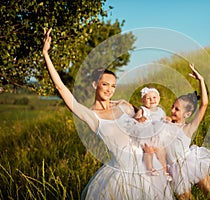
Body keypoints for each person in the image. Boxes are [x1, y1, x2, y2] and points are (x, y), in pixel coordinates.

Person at [42, 28, 174, 200]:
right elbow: (61, 88)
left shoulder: (123, 106)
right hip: (120, 175)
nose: (110, 90)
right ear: (95, 85)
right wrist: (46, 54)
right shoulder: (92, 116)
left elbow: (150, 118)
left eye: (113, 86)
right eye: (105, 84)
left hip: (147, 167)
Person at [167, 64, 210, 200]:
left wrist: (201, 80)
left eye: (177, 109)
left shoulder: (188, 128)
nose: (172, 110)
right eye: (173, 107)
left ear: (187, 114)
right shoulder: (165, 123)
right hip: (173, 170)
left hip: (191, 163)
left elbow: (204, 105)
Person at [132, 87, 172, 181]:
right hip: (146, 134)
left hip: (158, 135)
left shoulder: (160, 110)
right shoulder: (143, 110)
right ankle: (150, 168)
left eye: (154, 97)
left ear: (159, 98)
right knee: (148, 149)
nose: (152, 100)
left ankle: (165, 171)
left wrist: (167, 119)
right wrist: (139, 119)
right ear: (143, 100)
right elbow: (133, 120)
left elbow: (163, 118)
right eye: (148, 98)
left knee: (161, 152)